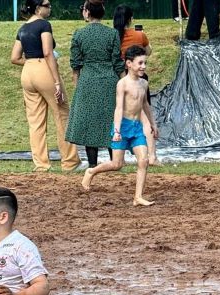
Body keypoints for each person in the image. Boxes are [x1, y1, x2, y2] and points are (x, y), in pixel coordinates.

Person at [81, 45, 159, 207]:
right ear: (129, 64)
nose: (143, 66)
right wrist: (116, 130)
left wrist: (153, 124)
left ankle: (138, 196)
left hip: (137, 128)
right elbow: (119, 108)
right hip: (122, 127)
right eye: (140, 63)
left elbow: (145, 106)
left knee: (143, 161)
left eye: (145, 63)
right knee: (117, 164)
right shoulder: (122, 84)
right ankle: (91, 171)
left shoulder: (144, 84)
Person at [10, 0, 80, 173]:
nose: (50, 8)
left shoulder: (23, 28)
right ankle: (70, 162)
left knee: (35, 121)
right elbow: (48, 52)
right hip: (44, 70)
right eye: (47, 5)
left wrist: (32, 62)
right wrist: (57, 81)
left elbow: (15, 57)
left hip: (28, 72)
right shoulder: (44, 24)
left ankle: (41, 164)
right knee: (62, 114)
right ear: (38, 8)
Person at [65, 0, 124, 169]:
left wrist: (77, 83)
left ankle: (92, 164)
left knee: (90, 123)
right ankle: (115, 162)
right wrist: (125, 82)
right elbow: (117, 62)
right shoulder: (112, 34)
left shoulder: (79, 34)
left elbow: (75, 64)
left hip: (88, 81)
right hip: (109, 81)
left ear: (87, 12)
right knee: (111, 122)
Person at [113, 5, 159, 166]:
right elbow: (148, 51)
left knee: (122, 114)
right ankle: (152, 155)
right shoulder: (139, 35)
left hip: (119, 76)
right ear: (130, 19)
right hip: (136, 79)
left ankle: (120, 157)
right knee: (144, 116)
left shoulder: (114, 36)